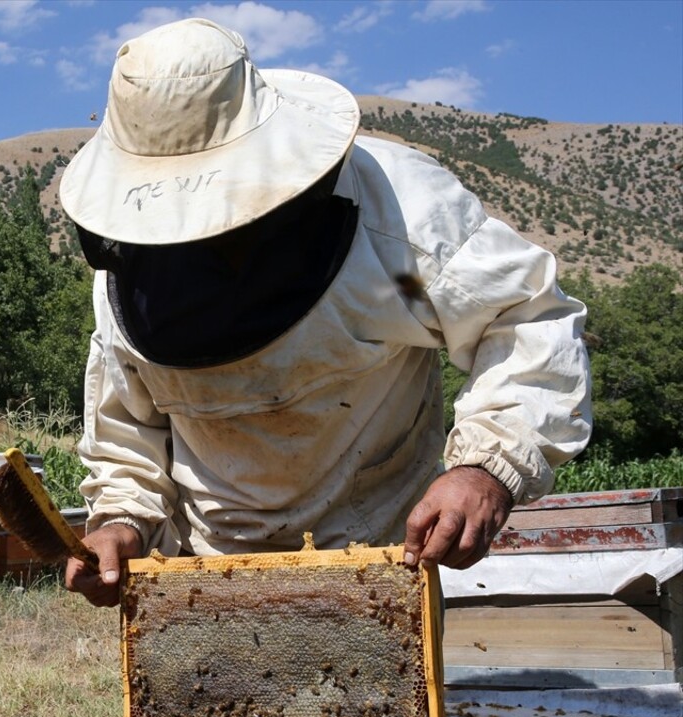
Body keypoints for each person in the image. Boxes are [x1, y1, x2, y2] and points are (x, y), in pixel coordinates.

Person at [60, 18, 592, 607]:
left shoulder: (397, 230)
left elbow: (523, 319)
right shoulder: (130, 267)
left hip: (380, 557)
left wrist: (487, 467)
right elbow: (128, 426)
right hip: (207, 576)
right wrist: (123, 524)